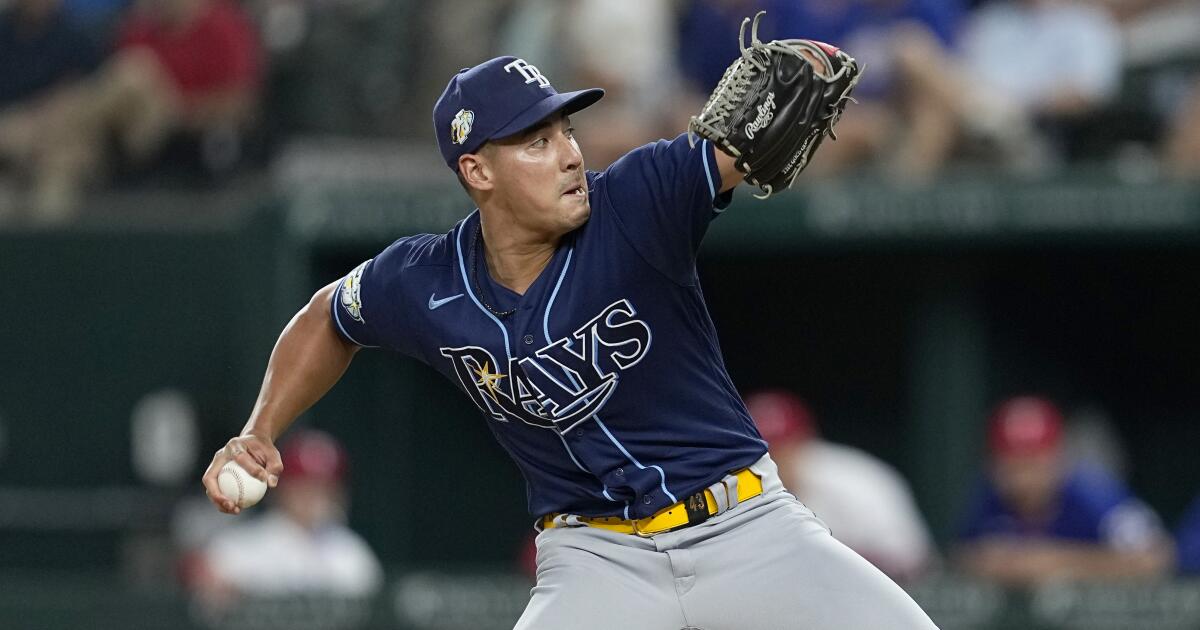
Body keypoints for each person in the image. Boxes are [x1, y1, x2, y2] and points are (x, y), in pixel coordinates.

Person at [202, 53, 938, 629]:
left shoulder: (638, 201)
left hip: (744, 529)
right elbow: (329, 315)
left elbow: (731, 142)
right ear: (477, 170)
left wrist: (799, 72)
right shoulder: (425, 281)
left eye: (565, 132)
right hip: (596, 560)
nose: (567, 154)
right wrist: (259, 430)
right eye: (535, 140)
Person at [956, 396, 1173, 585]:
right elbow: (958, 558)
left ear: (1058, 456)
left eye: (1032, 462)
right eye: (1013, 464)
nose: (1023, 478)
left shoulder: (1094, 492)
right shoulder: (989, 497)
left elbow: (1155, 558)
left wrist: (1053, 561)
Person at [189, 430, 382, 628]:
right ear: (282, 488)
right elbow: (203, 610)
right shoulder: (237, 548)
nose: (315, 496)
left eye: (324, 487)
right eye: (304, 486)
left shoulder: (353, 553)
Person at [746, 390, 936, 581]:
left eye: (780, 448)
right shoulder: (738, 488)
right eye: (762, 452)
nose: (772, 459)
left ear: (805, 441)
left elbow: (910, 560)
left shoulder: (856, 481)